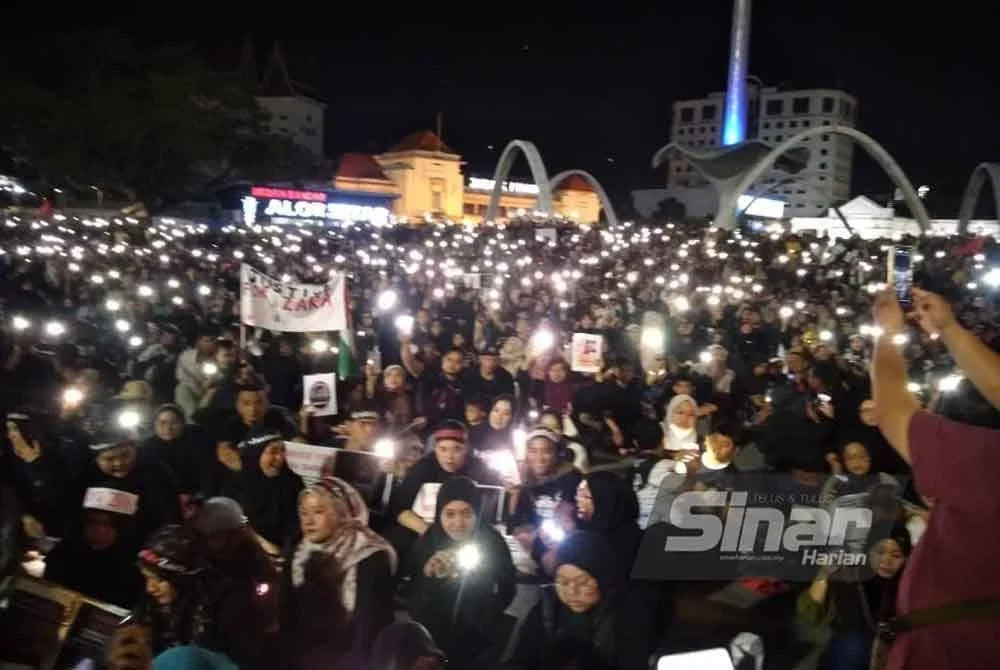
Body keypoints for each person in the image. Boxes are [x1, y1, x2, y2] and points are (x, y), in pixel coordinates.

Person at [871, 288, 1000, 668]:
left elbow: (893, 410)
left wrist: (888, 333)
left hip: (944, 653)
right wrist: (949, 329)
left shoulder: (984, 464)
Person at [404, 476, 516, 667]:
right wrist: (429, 575)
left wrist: (486, 614)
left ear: (477, 513)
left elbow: (508, 588)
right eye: (450, 514)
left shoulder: (491, 541)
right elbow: (413, 600)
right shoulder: (427, 542)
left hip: (479, 634)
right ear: (439, 513)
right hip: (432, 635)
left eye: (466, 514)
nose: (458, 523)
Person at [287, 476, 397, 667]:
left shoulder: (370, 555)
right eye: (303, 513)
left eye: (318, 512)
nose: (308, 521)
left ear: (342, 512)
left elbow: (369, 627)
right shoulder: (300, 552)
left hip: (352, 655)